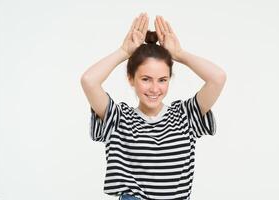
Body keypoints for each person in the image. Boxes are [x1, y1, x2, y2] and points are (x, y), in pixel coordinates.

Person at [80, 12, 226, 200]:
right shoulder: (119, 118)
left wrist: (180, 54)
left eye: (162, 80)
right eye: (146, 79)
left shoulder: (185, 116)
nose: (155, 88)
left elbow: (218, 78)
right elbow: (89, 81)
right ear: (131, 78)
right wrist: (124, 52)